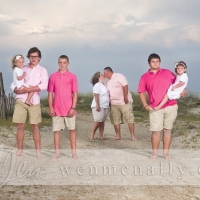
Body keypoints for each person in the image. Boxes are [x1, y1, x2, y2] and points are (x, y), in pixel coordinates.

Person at [137, 53, 186, 159]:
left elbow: (180, 82)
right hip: (155, 107)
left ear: (160, 62)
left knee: (168, 130)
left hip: (171, 105)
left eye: (157, 61)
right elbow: (141, 92)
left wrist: (183, 91)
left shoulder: (168, 73)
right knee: (155, 131)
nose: (155, 63)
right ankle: (154, 153)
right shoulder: (144, 77)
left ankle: (166, 153)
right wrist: (145, 105)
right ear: (149, 63)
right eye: (153, 61)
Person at [12, 47, 48, 158]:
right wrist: (15, 89)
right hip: (21, 100)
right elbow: (15, 82)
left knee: (35, 126)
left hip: (34, 101)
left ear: (39, 58)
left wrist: (29, 89)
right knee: (20, 125)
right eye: (31, 56)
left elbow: (44, 85)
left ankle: (38, 151)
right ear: (28, 57)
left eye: (36, 56)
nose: (33, 58)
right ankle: (20, 150)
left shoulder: (42, 70)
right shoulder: (22, 68)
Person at [48, 55, 78, 159]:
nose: (62, 64)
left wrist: (73, 108)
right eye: (60, 62)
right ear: (58, 63)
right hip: (57, 108)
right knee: (56, 130)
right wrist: (51, 107)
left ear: (68, 63)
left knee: (72, 130)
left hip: (69, 108)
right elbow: (50, 93)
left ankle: (74, 152)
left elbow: (75, 93)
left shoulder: (72, 76)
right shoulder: (53, 76)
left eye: (64, 62)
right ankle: (57, 152)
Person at [104, 67, 136, 141]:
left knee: (129, 118)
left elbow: (125, 85)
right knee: (115, 119)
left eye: (104, 73)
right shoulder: (108, 82)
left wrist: (125, 97)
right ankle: (118, 135)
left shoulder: (118, 76)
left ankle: (132, 135)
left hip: (123, 102)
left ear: (108, 72)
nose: (104, 74)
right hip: (114, 103)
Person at [90, 72, 110, 140]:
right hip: (99, 105)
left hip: (105, 106)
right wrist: (97, 105)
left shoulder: (104, 85)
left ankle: (101, 135)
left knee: (102, 121)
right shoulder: (97, 85)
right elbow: (96, 95)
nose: (103, 75)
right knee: (98, 120)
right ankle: (92, 134)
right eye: (101, 74)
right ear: (98, 77)